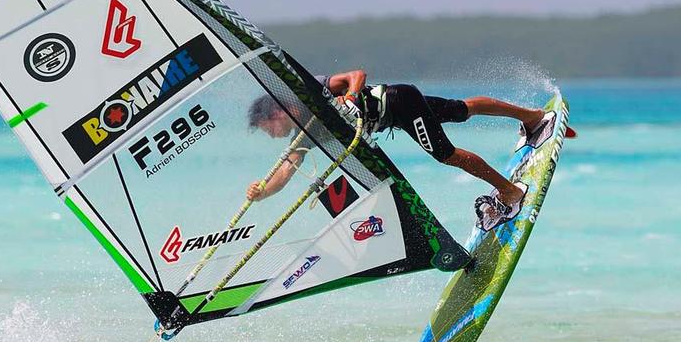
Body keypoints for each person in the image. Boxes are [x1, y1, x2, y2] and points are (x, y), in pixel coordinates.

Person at [246, 70, 575, 231]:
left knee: (447, 155)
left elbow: (356, 75)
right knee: (461, 110)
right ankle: (533, 118)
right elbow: (286, 171)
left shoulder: (309, 93)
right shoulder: (304, 135)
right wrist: (262, 192)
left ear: (275, 114)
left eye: (268, 130)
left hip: (399, 102)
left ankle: (510, 192)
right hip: (400, 110)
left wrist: (350, 99)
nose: (273, 137)